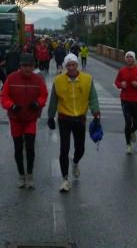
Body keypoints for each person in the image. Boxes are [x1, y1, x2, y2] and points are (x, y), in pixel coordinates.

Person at [47, 53, 101, 193]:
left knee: (80, 149)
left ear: (77, 65)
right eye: (69, 65)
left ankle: (75, 162)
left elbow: (93, 98)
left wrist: (96, 112)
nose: (71, 68)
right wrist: (50, 116)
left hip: (80, 119)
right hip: (64, 118)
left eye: (73, 65)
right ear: (65, 66)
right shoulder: (58, 80)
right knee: (64, 149)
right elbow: (53, 100)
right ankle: (65, 179)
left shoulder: (87, 79)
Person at [0, 53, 48, 189]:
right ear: (20, 66)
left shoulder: (38, 80)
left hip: (30, 119)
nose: (27, 68)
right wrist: (11, 105)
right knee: (18, 147)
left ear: (33, 66)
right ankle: (21, 174)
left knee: (30, 147)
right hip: (15, 119)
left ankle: (30, 174)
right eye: (24, 66)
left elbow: (43, 94)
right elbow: (4, 96)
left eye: (30, 66)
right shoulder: (11, 78)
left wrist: (38, 103)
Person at [114, 51, 137, 155]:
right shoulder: (122, 71)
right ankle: (128, 145)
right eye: (127, 57)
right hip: (125, 100)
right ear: (125, 59)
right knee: (128, 122)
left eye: (131, 57)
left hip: (136, 100)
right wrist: (121, 85)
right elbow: (116, 82)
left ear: (134, 59)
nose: (129, 58)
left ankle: (133, 131)